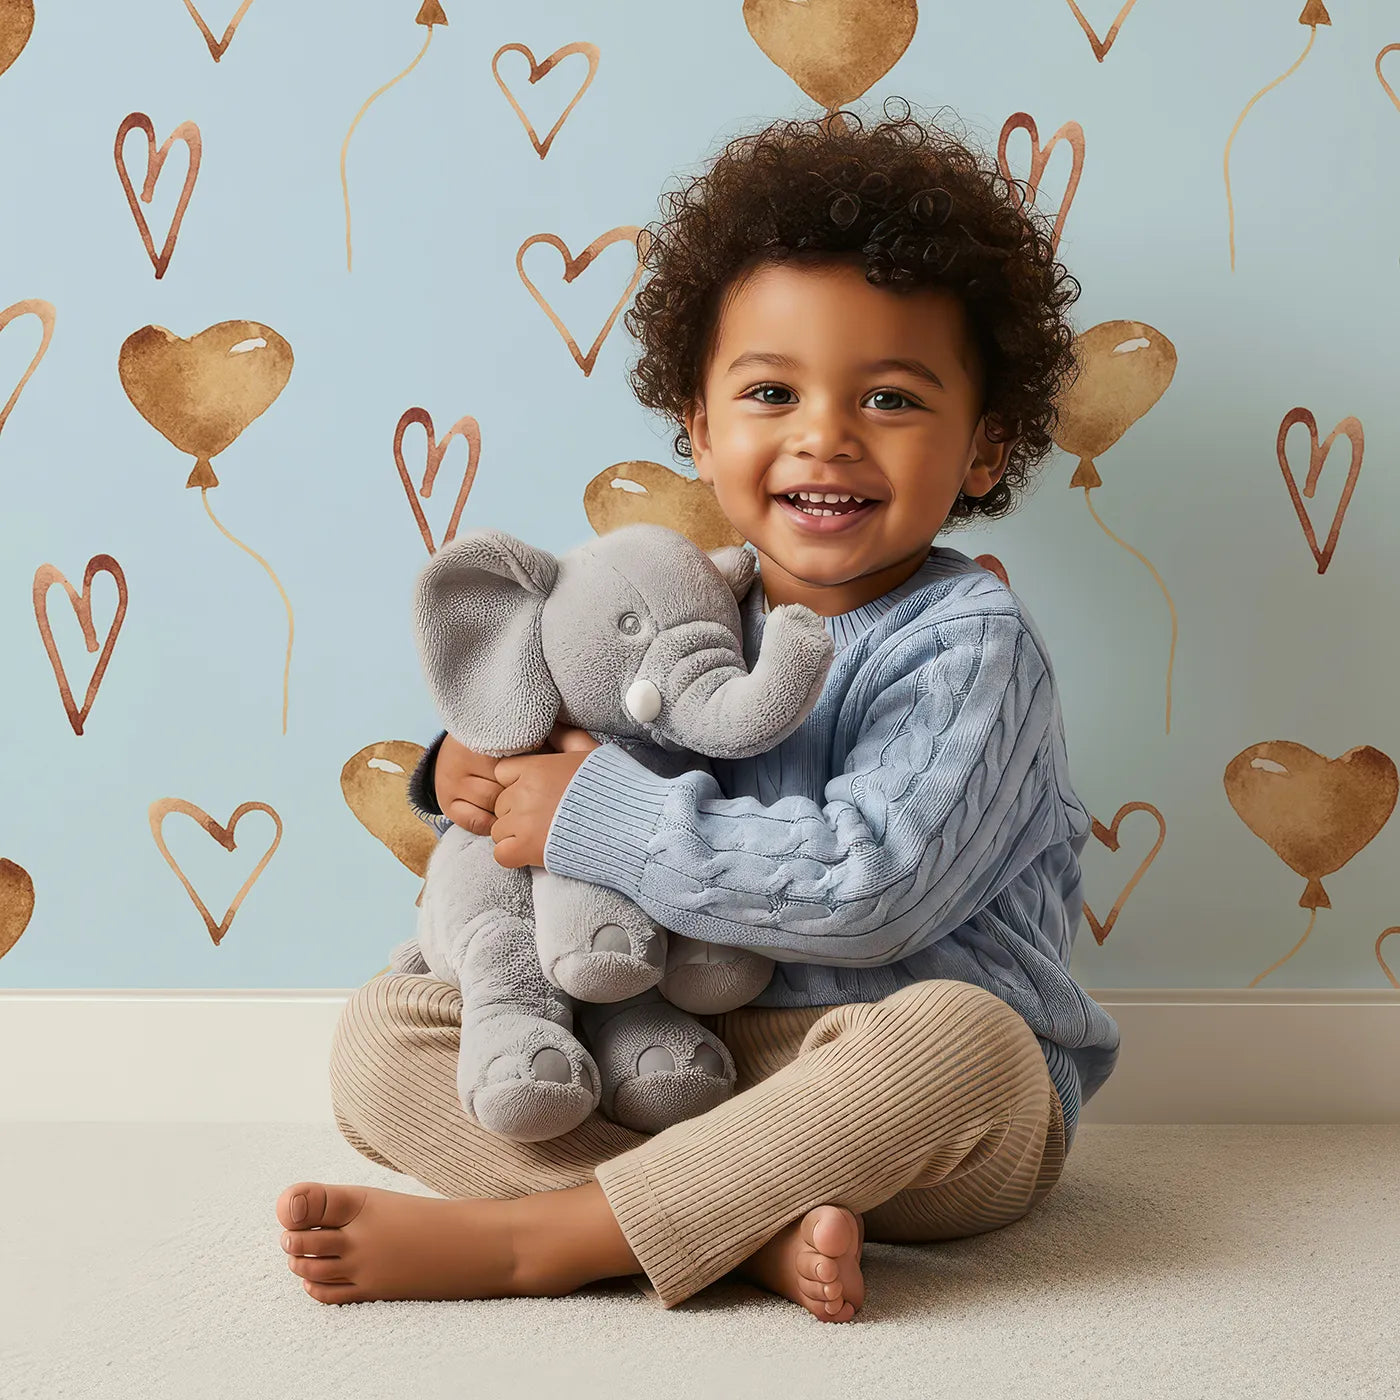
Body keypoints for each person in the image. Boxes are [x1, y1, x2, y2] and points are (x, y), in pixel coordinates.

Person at [274, 98, 1120, 1323]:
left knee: (964, 1042)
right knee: (382, 1034)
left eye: (887, 398)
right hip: (675, 1056)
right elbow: (550, 743)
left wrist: (595, 817)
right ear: (697, 423)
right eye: (770, 391)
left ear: (984, 446)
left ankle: (544, 1235)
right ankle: (730, 1229)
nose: (822, 435)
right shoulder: (670, 613)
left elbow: (868, 886)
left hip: (873, 1084)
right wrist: (474, 765)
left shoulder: (968, 643)